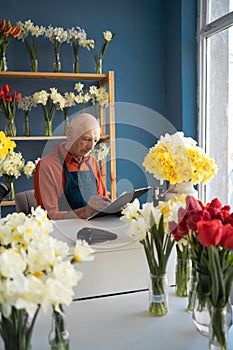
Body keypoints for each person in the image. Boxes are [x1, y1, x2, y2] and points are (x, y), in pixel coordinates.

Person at [34, 113, 111, 220]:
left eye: (95, 141)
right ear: (69, 133)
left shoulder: (92, 162)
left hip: (94, 230)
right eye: (86, 139)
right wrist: (84, 212)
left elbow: (103, 201)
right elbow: (48, 217)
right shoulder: (47, 166)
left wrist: (113, 208)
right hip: (62, 234)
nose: (91, 147)